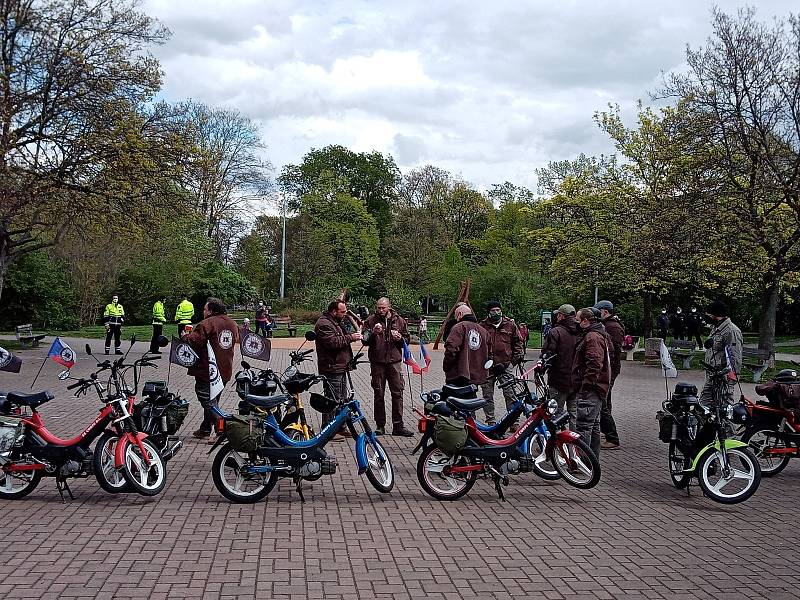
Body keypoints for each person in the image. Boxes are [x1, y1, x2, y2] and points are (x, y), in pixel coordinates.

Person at [182, 298, 240, 442]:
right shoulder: (232, 323)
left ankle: (222, 430)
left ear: (212, 311)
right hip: (225, 369)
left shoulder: (207, 323)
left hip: (208, 370)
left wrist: (185, 336)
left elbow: (196, 340)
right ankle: (205, 429)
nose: (204, 311)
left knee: (207, 400)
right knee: (213, 401)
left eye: (205, 309)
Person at [362, 297, 414, 437]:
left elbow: (407, 339)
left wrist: (400, 339)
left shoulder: (400, 321)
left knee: (397, 393)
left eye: (383, 308)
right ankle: (380, 425)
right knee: (378, 393)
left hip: (394, 362)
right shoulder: (370, 320)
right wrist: (373, 332)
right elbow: (364, 340)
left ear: (389, 307)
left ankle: (398, 425)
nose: (380, 310)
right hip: (377, 362)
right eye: (378, 307)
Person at [315, 299, 363, 440]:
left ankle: (340, 426)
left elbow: (341, 337)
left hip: (340, 366)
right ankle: (328, 430)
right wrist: (351, 338)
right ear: (334, 311)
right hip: (331, 367)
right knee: (331, 400)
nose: (344, 314)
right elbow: (333, 343)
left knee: (341, 399)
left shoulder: (335, 321)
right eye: (342, 312)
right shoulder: (323, 324)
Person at [571, 307, 611, 458]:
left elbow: (594, 363)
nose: (575, 323)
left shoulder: (592, 337)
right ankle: (591, 461)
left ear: (586, 321)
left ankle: (583, 460)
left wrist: (586, 385)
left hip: (592, 388)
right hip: (597, 387)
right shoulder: (598, 334)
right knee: (593, 426)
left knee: (584, 426)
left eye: (577, 320)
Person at [480, 300, 525, 427]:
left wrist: (513, 363)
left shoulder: (510, 325)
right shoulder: (482, 326)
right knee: (487, 395)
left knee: (510, 394)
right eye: (493, 311)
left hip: (506, 365)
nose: (496, 313)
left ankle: (513, 421)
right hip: (488, 367)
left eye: (498, 310)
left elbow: (518, 343)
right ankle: (490, 420)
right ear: (488, 313)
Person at [539, 304, 578, 428]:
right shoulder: (581, 331)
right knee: (573, 412)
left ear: (561, 316)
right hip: (576, 379)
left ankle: (555, 441)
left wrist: (540, 370)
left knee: (555, 411)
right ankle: (574, 441)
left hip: (559, 379)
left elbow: (548, 354)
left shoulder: (555, 332)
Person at [700, 300, 743, 404]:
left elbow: (735, 357)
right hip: (712, 375)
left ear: (717, 315)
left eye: (709, 314)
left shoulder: (731, 331)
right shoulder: (716, 328)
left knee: (724, 407)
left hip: (724, 377)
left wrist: (730, 379)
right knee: (703, 406)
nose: (707, 317)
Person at [595, 300, 624, 450]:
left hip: (609, 369)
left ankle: (612, 437)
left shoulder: (612, 327)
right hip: (609, 369)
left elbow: (613, 351)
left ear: (605, 311)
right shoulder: (611, 325)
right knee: (606, 400)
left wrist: (607, 368)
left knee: (602, 402)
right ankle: (606, 432)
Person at [443, 305, 488, 387]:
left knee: (454, 398)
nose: (456, 319)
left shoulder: (459, 327)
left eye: (455, 316)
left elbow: (451, 348)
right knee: (471, 397)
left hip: (458, 374)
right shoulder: (483, 331)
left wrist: (447, 366)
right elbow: (489, 353)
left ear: (459, 314)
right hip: (475, 376)